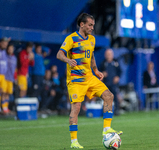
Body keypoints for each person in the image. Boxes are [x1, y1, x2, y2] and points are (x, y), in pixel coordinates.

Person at [56, 13, 122, 148]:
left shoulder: (92, 39)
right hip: (76, 80)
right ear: (82, 24)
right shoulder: (71, 39)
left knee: (109, 96)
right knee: (76, 108)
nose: (92, 27)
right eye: (90, 25)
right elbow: (59, 54)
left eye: (93, 25)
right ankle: (74, 142)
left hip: (89, 77)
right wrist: (68, 60)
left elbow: (91, 55)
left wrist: (96, 70)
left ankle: (106, 129)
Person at [99, 48, 121, 115]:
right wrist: (102, 74)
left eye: (110, 54)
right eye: (107, 54)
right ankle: (106, 111)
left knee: (115, 97)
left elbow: (120, 71)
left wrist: (117, 77)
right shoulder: (103, 63)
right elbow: (99, 72)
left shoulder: (116, 62)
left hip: (113, 83)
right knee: (106, 97)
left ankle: (117, 110)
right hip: (106, 83)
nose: (108, 55)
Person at [2, 44, 17, 114]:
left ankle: (5, 108)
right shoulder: (5, 56)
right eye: (9, 48)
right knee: (3, 93)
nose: (10, 50)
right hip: (5, 77)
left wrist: (15, 78)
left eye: (11, 48)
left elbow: (15, 69)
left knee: (8, 93)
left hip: (11, 78)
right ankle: (2, 107)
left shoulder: (14, 58)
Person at [0, 37, 10, 113]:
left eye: (6, 43)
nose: (5, 44)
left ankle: (4, 107)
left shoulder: (4, 52)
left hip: (3, 75)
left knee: (3, 91)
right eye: (4, 43)